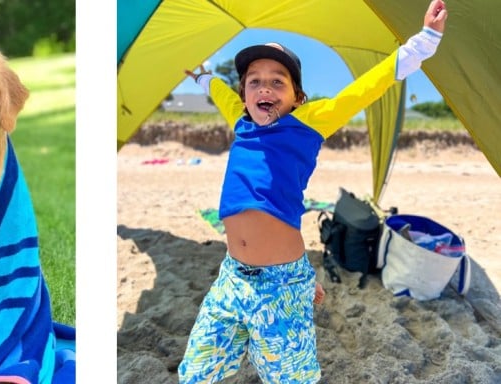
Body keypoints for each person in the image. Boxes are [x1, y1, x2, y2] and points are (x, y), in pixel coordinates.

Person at [176, 1, 448, 382]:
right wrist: (204, 78)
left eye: (277, 81)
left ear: (296, 97)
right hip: (231, 278)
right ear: (245, 95)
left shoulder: (307, 123)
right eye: (254, 81)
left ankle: (301, 284)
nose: (264, 87)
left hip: (280, 285)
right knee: (196, 370)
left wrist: (422, 44)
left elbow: (362, 90)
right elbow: (223, 94)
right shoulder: (241, 122)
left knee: (289, 377)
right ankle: (305, 283)